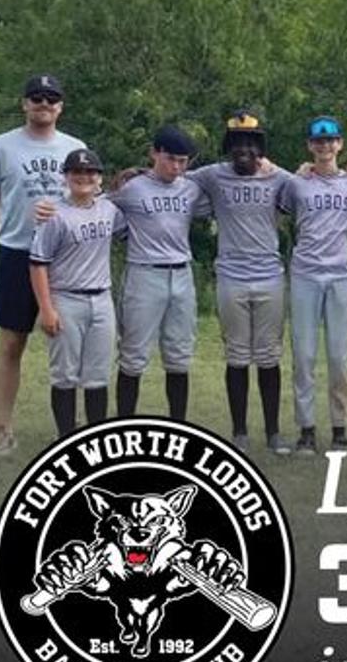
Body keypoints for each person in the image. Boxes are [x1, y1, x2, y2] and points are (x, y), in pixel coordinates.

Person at [0, 74, 86, 456]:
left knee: (72, 342)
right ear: (24, 103)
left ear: (61, 106)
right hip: (17, 253)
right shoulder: (1, 147)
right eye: (36, 97)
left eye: (51, 98)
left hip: (65, 255)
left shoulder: (74, 147)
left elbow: (87, 196)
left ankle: (71, 429)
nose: (43, 103)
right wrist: (6, 234)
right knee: (11, 343)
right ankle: (3, 431)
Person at [187, 112, 292, 456]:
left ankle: (273, 432)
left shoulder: (278, 177)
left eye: (250, 144)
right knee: (236, 356)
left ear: (260, 148)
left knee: (269, 356)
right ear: (228, 147)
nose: (243, 150)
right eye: (236, 144)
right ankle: (240, 432)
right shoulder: (213, 175)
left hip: (269, 277)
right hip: (231, 278)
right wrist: (135, 175)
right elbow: (172, 176)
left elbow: (310, 186)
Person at [281, 116, 347, 456]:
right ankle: (306, 429)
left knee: (338, 356)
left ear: (340, 144)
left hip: (339, 274)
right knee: (304, 355)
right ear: (310, 145)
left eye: (330, 140)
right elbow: (279, 207)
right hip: (305, 273)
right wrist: (299, 171)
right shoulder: (297, 182)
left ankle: (339, 427)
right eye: (318, 141)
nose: (325, 146)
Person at [111, 126, 209, 421]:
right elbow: (98, 207)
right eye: (170, 159)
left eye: (182, 161)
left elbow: (220, 191)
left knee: (179, 356)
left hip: (181, 274)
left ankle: (178, 423)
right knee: (133, 355)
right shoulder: (133, 188)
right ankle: (125, 423)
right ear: (154, 153)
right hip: (144, 273)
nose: (176, 167)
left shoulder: (190, 188)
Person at [29, 148, 127, 436]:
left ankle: (93, 439)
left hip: (101, 298)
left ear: (100, 178)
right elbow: (38, 264)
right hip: (66, 298)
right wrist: (46, 309)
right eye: (76, 172)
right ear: (66, 177)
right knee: (65, 374)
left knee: (98, 375)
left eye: (90, 172)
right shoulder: (54, 214)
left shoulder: (109, 209)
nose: (84, 177)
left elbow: (130, 232)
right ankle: (66, 437)